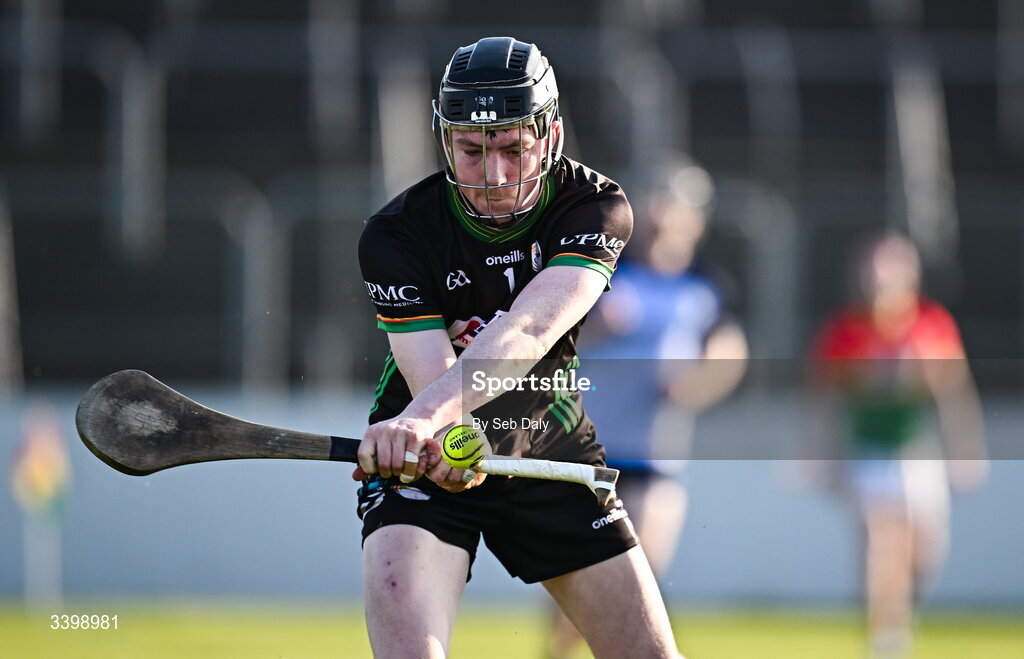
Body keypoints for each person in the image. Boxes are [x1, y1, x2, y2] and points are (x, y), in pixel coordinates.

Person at [354, 37, 683, 658]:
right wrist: (437, 431)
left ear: (550, 133)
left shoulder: (595, 206)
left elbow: (530, 330)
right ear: (445, 141)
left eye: (513, 148)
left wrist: (429, 421)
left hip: (544, 439)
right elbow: (431, 375)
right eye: (472, 151)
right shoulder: (396, 233)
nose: (495, 176)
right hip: (421, 452)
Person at [545, 155, 748, 658]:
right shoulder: (609, 270)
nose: (663, 214)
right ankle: (557, 651)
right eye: (656, 201)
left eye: (676, 204)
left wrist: (698, 383)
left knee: (643, 563)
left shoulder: (707, 286)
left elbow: (731, 351)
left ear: (695, 218)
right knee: (580, 575)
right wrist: (593, 325)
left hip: (657, 448)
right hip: (590, 447)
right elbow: (554, 334)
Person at [810, 231, 987, 659]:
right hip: (867, 450)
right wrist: (824, 455)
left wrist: (966, 451)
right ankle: (884, 635)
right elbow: (826, 401)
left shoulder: (931, 323)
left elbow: (955, 393)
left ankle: (899, 614)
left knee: (926, 546)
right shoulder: (845, 330)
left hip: (917, 451)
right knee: (879, 541)